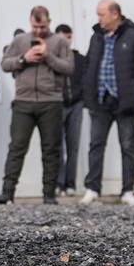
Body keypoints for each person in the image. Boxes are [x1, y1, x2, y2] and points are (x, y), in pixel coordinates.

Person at [80, 0, 134, 207]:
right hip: (100, 101)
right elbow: (88, 65)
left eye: (101, 14)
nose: (99, 19)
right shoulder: (96, 37)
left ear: (115, 14)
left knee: (128, 145)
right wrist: (89, 92)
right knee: (96, 144)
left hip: (126, 103)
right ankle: (93, 189)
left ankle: (128, 191)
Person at [0, 7, 74, 205]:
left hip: (51, 102)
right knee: (17, 147)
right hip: (23, 102)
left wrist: (48, 56)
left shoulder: (60, 42)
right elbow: (4, 64)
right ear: (30, 22)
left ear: (49, 21)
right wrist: (24, 58)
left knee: (51, 149)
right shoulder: (20, 40)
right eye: (35, 26)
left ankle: (49, 193)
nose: (39, 30)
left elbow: (69, 68)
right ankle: (7, 192)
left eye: (43, 26)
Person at [55, 23, 86, 197]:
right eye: (61, 38)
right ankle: (59, 183)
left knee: (73, 145)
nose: (65, 41)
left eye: (68, 37)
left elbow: (86, 79)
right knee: (58, 147)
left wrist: (80, 96)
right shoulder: (52, 59)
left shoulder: (80, 59)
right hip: (58, 104)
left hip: (76, 105)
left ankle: (70, 184)